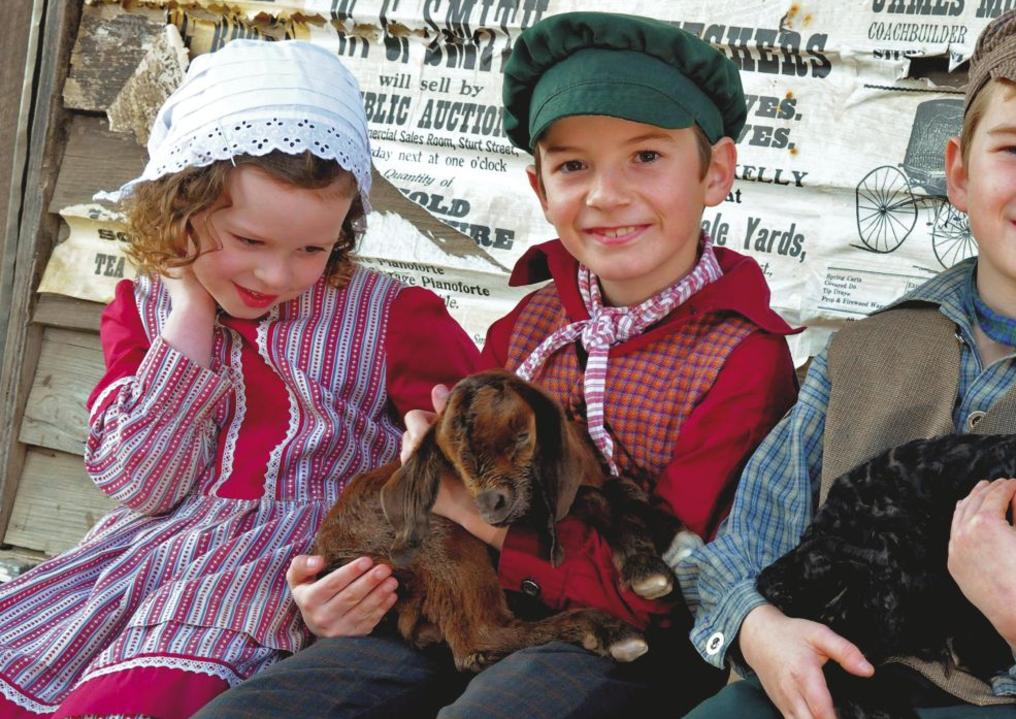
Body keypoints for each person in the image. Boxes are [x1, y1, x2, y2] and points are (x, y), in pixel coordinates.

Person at [196, 11, 800, 719]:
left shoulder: (743, 357)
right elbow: (441, 492)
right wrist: (349, 590)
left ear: (716, 171)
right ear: (540, 188)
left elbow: (679, 579)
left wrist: (486, 530)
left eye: (646, 157)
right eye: (573, 165)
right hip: (462, 606)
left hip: (619, 646)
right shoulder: (526, 325)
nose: (606, 194)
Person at [681, 1, 1016, 717]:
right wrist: (761, 628)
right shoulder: (862, 355)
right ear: (957, 173)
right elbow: (740, 550)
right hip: (830, 690)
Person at [0, 40, 479, 718]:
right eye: (249, 241)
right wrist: (190, 316)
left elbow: (481, 465)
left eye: (312, 248)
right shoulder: (145, 314)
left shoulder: (394, 318)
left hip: (290, 579)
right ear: (178, 207)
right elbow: (145, 483)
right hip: (141, 570)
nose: (277, 275)